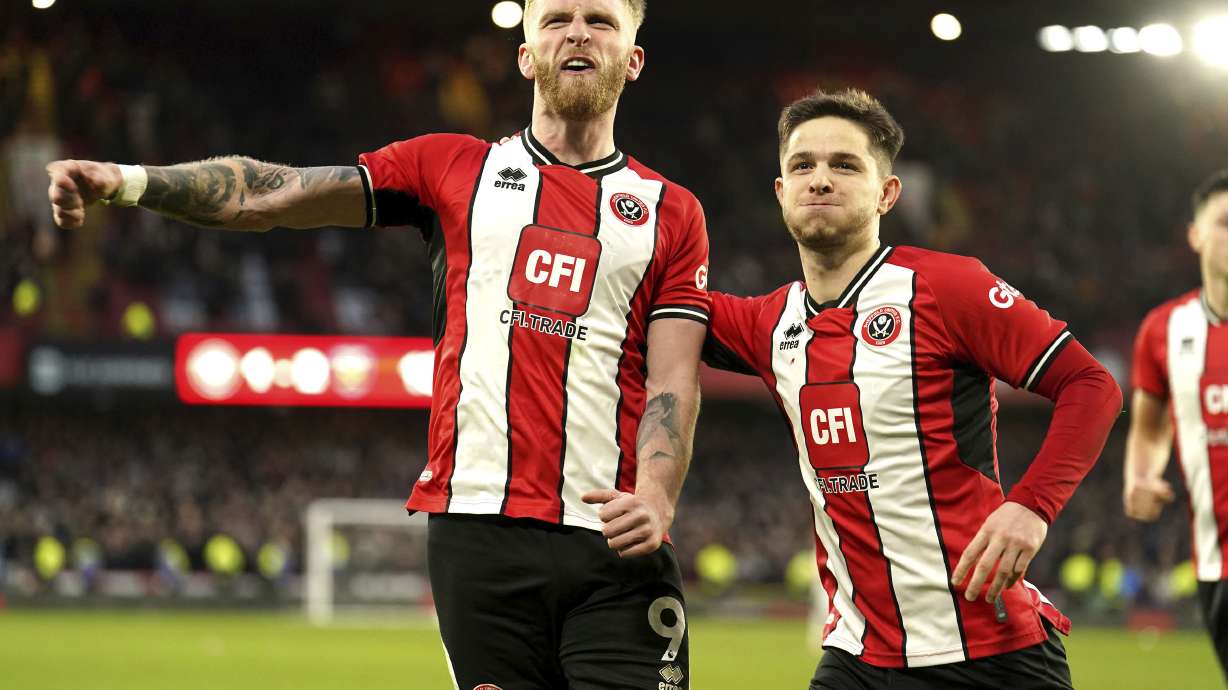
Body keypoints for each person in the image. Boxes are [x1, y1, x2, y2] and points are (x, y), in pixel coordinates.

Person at [46, 2, 710, 688]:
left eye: (600, 19)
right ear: (525, 56)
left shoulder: (673, 211)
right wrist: (127, 182)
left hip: (612, 539)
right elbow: (273, 194)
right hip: (477, 534)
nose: (576, 31)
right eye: (555, 19)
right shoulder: (451, 167)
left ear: (633, 59)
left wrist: (658, 496)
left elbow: (672, 379)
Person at [702, 88, 1122, 689]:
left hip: (989, 649)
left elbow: (1092, 384)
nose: (820, 180)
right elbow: (645, 302)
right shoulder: (766, 324)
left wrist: (1032, 506)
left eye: (844, 165)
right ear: (781, 192)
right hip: (857, 655)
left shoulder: (948, 288)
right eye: (803, 165)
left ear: (887, 193)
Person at [1124, 169, 1228, 685]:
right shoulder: (1164, 330)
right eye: (1226, 222)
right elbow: (1148, 427)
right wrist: (1141, 475)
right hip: (1217, 563)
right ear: (1196, 234)